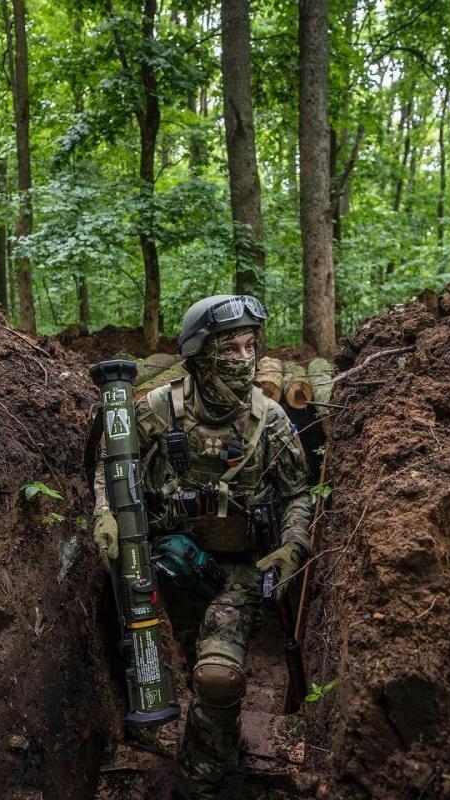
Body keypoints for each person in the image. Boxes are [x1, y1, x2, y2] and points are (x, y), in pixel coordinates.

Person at [90, 295, 311, 799]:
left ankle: (196, 783)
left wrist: (292, 546)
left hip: (239, 573)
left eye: (250, 345)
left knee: (216, 678)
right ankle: (218, 739)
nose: (244, 357)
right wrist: (104, 513)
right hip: (170, 565)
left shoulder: (271, 420)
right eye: (229, 348)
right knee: (192, 670)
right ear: (199, 353)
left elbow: (298, 491)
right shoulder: (159, 409)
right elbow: (111, 459)